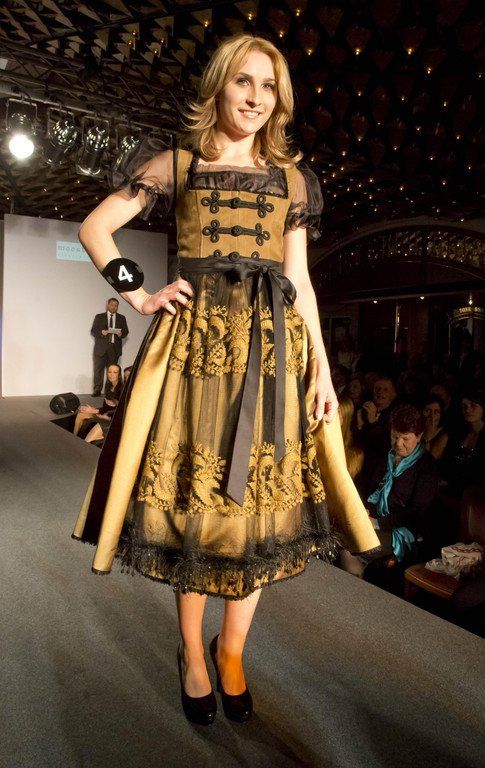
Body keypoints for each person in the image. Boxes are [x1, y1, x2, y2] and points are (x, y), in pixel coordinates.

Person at [71, 33, 380, 725]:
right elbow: (95, 229)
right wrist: (140, 295)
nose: (254, 97)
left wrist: (322, 370)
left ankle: (231, 649)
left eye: (268, 86)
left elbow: (300, 282)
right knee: (197, 504)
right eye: (244, 81)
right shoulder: (178, 164)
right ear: (218, 86)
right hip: (193, 357)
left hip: (269, 355)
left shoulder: (291, 179)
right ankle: (191, 651)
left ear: (279, 100)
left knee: (257, 514)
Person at [341, 404, 438, 585]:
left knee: (350, 547)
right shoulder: (385, 455)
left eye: (405, 439)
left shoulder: (426, 467)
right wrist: (363, 510)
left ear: (419, 436)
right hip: (373, 520)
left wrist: (377, 523)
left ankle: (351, 589)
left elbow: (417, 512)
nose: (398, 444)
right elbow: (366, 486)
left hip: (400, 530)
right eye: (395, 436)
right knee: (336, 536)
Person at [91, 298, 129, 396]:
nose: (114, 307)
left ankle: (110, 391)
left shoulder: (122, 318)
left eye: (116, 306)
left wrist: (121, 334)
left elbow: (126, 332)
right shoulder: (99, 317)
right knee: (98, 370)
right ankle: (97, 390)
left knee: (112, 371)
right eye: (112, 305)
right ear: (108, 305)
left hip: (114, 349)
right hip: (101, 348)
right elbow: (93, 331)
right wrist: (101, 332)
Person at [74, 363, 123, 437]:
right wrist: (94, 410)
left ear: (119, 375)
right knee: (81, 414)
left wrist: (95, 411)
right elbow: (106, 407)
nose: (111, 375)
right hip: (104, 414)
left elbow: (119, 411)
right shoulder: (108, 386)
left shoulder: (121, 389)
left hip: (112, 419)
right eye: (109, 372)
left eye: (115, 372)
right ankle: (74, 437)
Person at [421, 395, 449, 461]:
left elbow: (428, 462)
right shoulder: (415, 430)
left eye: (436, 412)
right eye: (428, 410)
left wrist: (427, 440)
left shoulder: (443, 436)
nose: (432, 415)